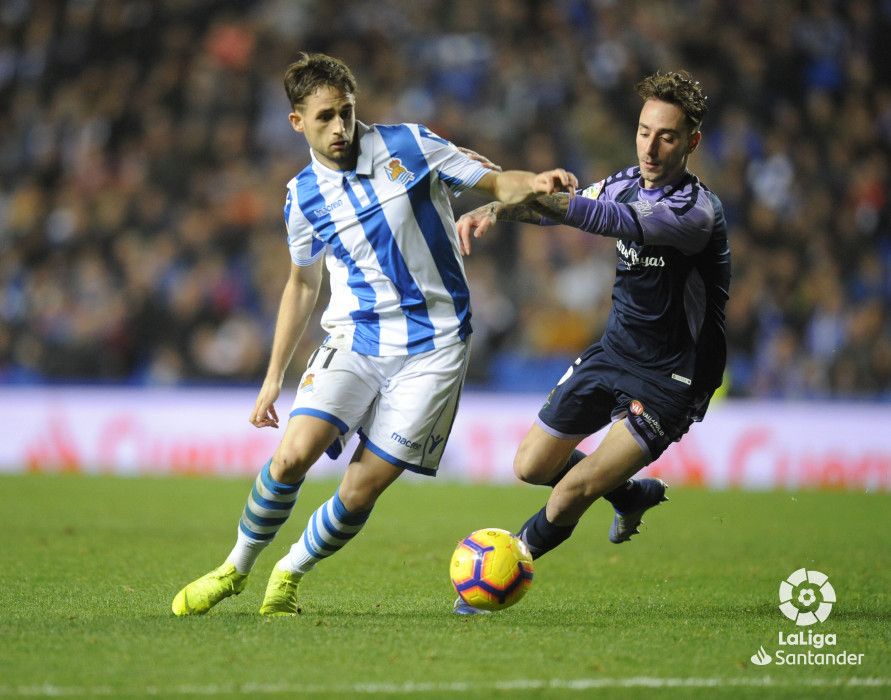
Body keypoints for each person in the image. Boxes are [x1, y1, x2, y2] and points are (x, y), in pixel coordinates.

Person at [171, 52, 577, 617]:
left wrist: (530, 181)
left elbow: (493, 179)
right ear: (297, 123)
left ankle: (288, 573)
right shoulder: (302, 197)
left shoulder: (410, 146)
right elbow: (302, 284)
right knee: (291, 457)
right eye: (324, 118)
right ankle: (234, 569)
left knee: (360, 489)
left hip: (435, 347)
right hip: (356, 338)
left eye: (346, 112)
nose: (340, 128)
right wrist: (271, 380)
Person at [454, 71, 730, 614]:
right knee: (531, 465)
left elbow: (598, 216)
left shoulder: (694, 212)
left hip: (672, 376)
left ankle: (505, 569)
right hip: (614, 351)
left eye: (667, 136)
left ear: (692, 142)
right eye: (644, 131)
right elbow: (563, 205)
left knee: (571, 491)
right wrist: (496, 209)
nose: (650, 147)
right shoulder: (628, 179)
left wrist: (524, 196)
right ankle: (631, 494)